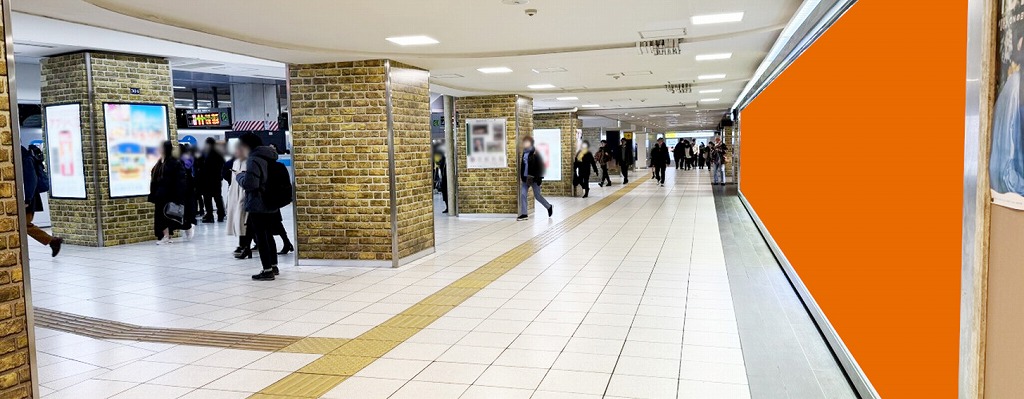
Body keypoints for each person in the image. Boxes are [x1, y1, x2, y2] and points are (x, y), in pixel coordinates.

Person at [236, 133, 282, 280]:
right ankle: (274, 266)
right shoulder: (270, 156)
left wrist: (240, 177)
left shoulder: (254, 159)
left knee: (261, 237)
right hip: (272, 200)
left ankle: (267, 270)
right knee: (269, 235)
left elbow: (251, 184)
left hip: (258, 203)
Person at [21, 145, 63, 257]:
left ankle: (52, 241)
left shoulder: (26, 159)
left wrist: (27, 199)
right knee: (23, 225)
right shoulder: (26, 157)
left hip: (28, 198)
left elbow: (31, 180)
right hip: (27, 196)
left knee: (24, 224)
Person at [148, 141, 192, 244]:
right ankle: (167, 236)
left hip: (169, 194)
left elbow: (180, 180)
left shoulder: (173, 162)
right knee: (162, 216)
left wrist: (179, 194)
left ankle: (172, 234)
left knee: (167, 216)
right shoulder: (160, 161)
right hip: (160, 194)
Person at [226, 145, 254, 258]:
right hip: (238, 195)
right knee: (243, 221)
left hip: (246, 195)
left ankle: (245, 246)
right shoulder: (236, 161)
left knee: (246, 222)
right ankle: (244, 245)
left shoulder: (250, 161)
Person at [518, 136, 553, 221]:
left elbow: (541, 167)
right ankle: (524, 214)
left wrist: (539, 179)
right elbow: (523, 166)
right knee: (523, 194)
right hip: (525, 178)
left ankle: (548, 206)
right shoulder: (524, 153)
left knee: (537, 196)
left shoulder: (536, 153)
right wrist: (522, 176)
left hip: (534, 179)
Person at [197, 137, 226, 223]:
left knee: (207, 198)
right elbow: (222, 165)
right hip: (216, 179)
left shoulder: (204, 154)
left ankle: (210, 216)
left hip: (206, 180)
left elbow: (200, 166)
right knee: (218, 197)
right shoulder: (219, 154)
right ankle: (221, 214)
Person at [433, 146, 449, 213]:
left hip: (446, 178)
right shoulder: (442, 158)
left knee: (446, 193)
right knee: (444, 194)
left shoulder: (447, 159)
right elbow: (438, 163)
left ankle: (449, 207)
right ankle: (447, 207)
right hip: (443, 178)